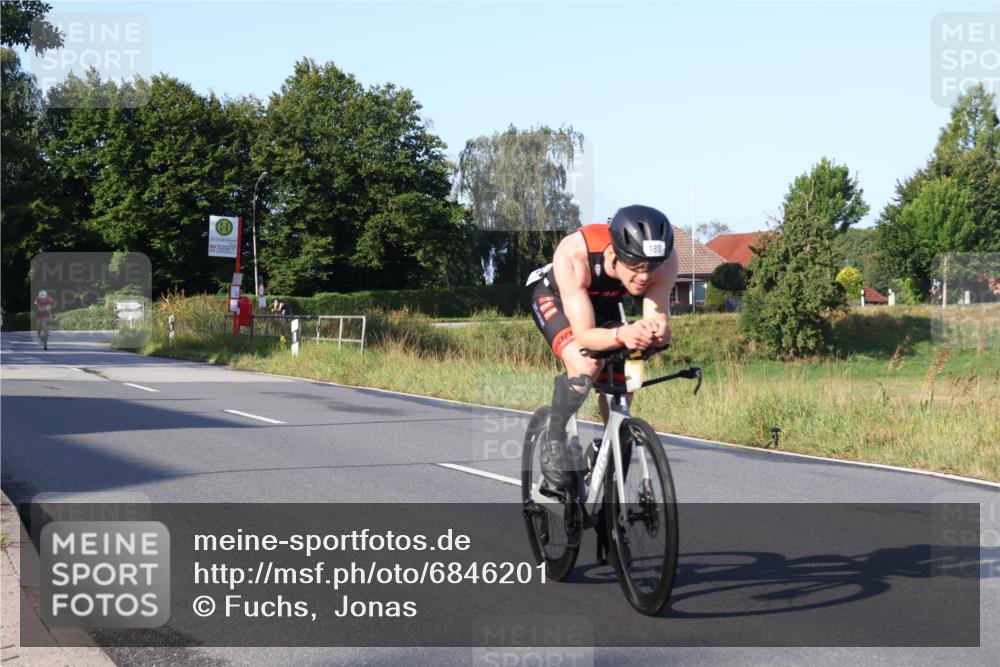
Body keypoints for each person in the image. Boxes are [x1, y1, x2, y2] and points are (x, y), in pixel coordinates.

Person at [527, 205, 679, 489]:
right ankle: (554, 436)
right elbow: (584, 336)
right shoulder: (576, 254)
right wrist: (623, 333)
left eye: (651, 267)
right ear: (614, 255)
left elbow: (657, 317)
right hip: (558, 299)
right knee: (588, 364)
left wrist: (658, 334)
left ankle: (610, 462)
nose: (645, 276)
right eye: (636, 266)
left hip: (608, 305)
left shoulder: (666, 261)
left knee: (626, 378)